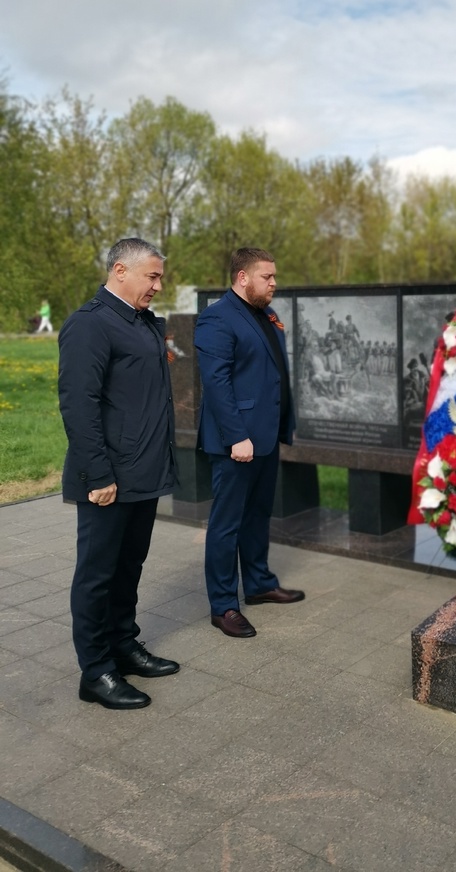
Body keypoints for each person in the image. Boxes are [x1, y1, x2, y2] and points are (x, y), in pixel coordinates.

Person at [58, 238, 179, 710]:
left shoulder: (141, 323)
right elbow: (78, 404)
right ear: (120, 270)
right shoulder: (91, 325)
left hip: (143, 472)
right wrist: (98, 475)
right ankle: (96, 671)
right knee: (96, 575)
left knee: (129, 567)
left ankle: (123, 645)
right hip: (107, 479)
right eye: (152, 276)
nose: (158, 285)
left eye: (160, 277)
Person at [194, 247, 304, 638]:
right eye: (267, 277)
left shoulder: (265, 315)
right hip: (236, 442)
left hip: (265, 436)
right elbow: (217, 383)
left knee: (258, 515)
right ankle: (223, 605)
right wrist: (237, 436)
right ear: (242, 277)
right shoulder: (216, 318)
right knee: (227, 524)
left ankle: (258, 584)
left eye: (274, 276)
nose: (274, 283)